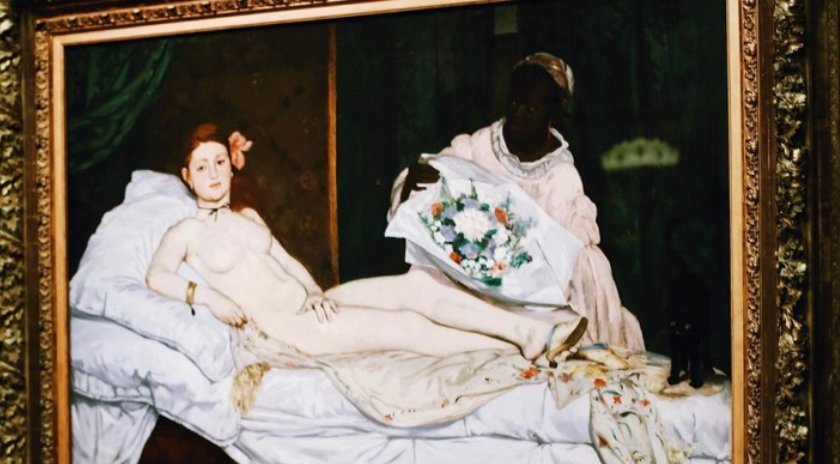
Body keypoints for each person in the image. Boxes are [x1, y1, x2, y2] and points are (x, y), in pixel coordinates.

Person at [146, 123, 587, 366]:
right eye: (201, 166)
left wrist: (314, 291)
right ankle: (515, 352)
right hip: (290, 330)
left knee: (419, 286)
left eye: (219, 161)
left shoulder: (248, 217)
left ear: (231, 165)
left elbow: (286, 261)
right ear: (186, 176)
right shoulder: (185, 231)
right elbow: (157, 276)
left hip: (313, 306)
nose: (213, 173)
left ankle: (529, 331)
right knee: (406, 327)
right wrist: (207, 297)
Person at [390, 53, 645, 351]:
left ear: (553, 114)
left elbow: (566, 263)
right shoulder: (480, 146)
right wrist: (415, 182)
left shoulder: (561, 176)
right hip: (467, 282)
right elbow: (432, 177)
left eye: (532, 108)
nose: (520, 113)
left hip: (527, 297)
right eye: (514, 103)